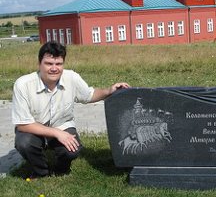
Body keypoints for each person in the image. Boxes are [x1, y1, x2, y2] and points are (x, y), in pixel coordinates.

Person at [12, 41, 130, 178]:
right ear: (39, 64)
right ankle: (41, 172)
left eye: (58, 64)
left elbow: (89, 95)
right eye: (49, 63)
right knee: (24, 143)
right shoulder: (23, 85)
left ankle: (61, 169)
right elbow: (22, 124)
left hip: (62, 125)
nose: (54, 68)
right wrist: (56, 133)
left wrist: (109, 90)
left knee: (72, 150)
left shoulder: (71, 77)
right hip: (34, 128)